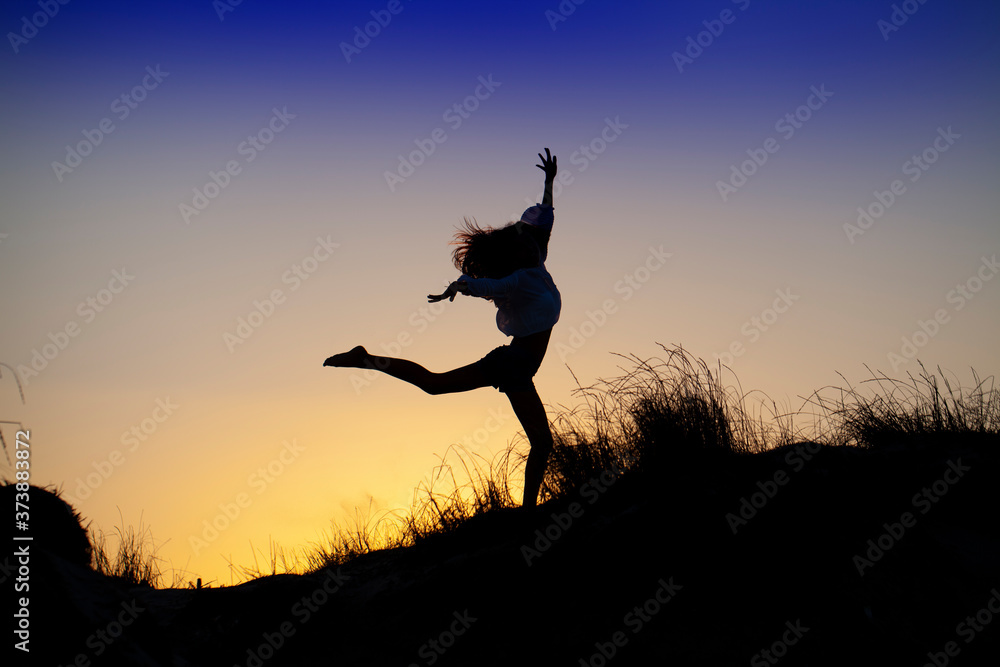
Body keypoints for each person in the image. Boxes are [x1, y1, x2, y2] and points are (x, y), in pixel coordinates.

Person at [324, 148, 561, 507]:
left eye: (532, 238)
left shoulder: (537, 262)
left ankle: (528, 513)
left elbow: (544, 222)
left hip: (516, 366)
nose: (532, 240)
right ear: (517, 253)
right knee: (441, 388)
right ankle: (366, 359)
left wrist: (548, 182)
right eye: (526, 240)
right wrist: (461, 285)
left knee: (439, 388)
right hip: (512, 366)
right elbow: (489, 286)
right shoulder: (519, 279)